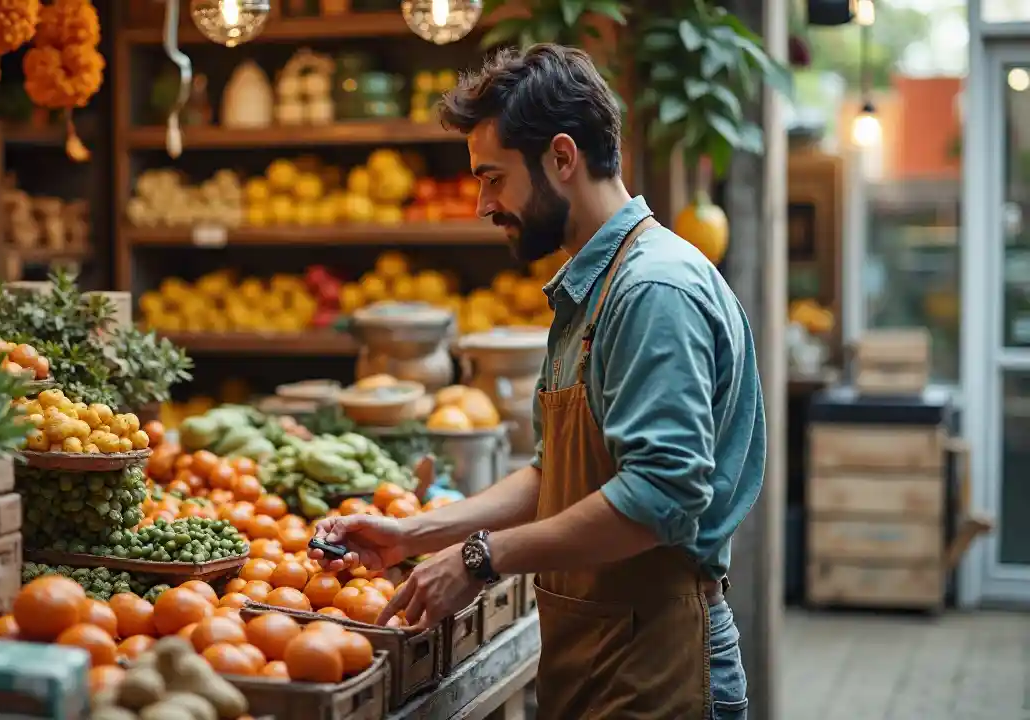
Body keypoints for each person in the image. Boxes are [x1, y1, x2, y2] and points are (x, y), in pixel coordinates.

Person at [310, 44, 765, 720]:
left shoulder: (652, 291)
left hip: (659, 663)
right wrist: (415, 533)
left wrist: (481, 559)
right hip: (603, 652)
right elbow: (554, 475)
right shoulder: (592, 288)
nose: (482, 204)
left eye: (493, 178)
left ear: (561, 157)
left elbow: (663, 493)